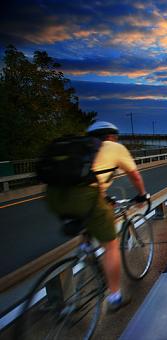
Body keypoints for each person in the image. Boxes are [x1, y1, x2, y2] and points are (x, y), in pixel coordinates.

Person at [46, 121, 149, 312]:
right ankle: (115, 297)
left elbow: (88, 176)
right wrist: (142, 194)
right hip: (85, 197)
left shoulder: (81, 149)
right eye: (115, 137)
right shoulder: (115, 147)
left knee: (89, 225)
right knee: (111, 245)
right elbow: (134, 175)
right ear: (110, 136)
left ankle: (84, 249)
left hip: (54, 196)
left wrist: (104, 197)